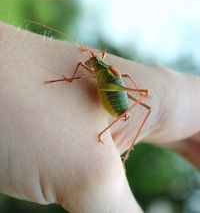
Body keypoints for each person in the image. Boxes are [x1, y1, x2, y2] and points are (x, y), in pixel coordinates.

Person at [0, 22, 199, 213]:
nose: (90, 61)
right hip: (110, 89)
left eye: (94, 60)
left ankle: (125, 155)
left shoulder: (101, 68)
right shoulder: (98, 62)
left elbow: (116, 76)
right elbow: (95, 64)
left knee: (142, 103)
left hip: (113, 98)